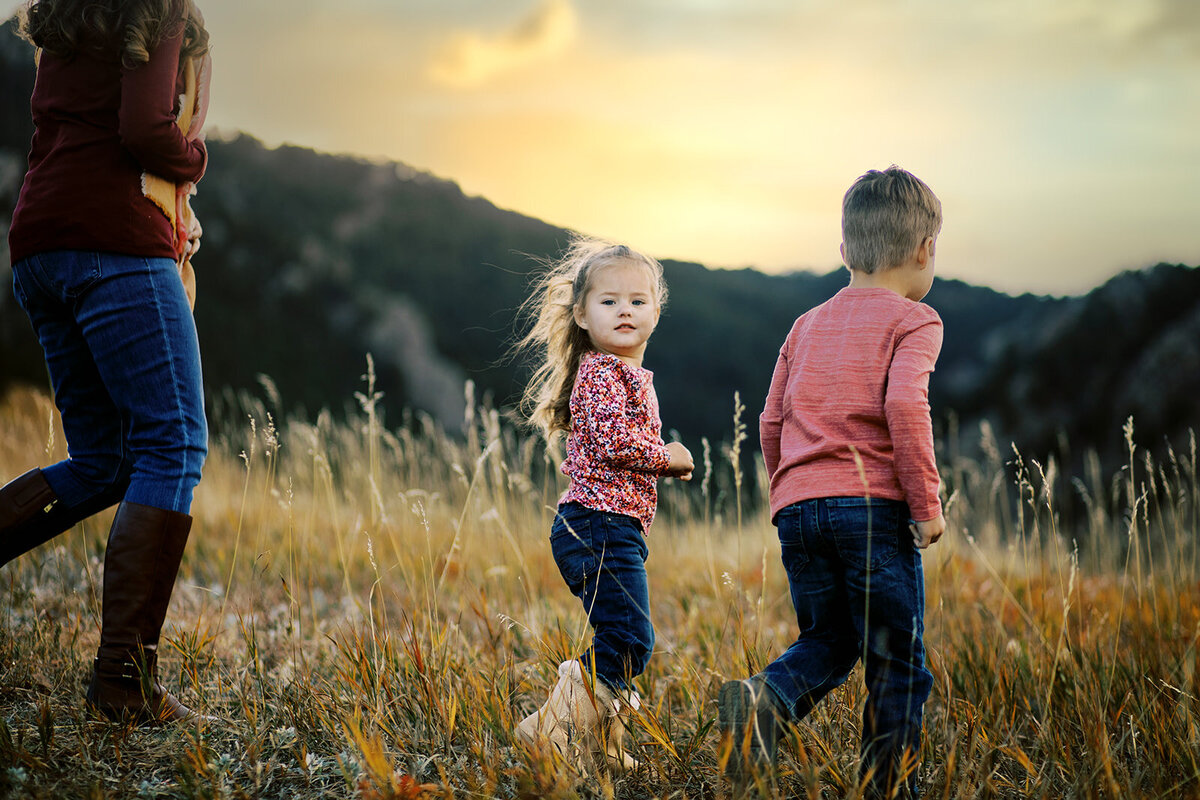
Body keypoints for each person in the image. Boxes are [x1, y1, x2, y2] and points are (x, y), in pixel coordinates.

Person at [0, 0, 212, 725]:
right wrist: (194, 158)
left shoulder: (66, 18)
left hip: (39, 245)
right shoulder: (158, 8)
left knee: (103, 460)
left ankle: (125, 681)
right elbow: (147, 129)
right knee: (173, 445)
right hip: (113, 243)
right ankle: (124, 686)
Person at [718, 166, 947, 799]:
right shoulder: (916, 322)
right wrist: (924, 502)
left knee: (830, 638)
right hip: (871, 508)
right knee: (896, 660)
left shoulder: (804, 324)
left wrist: (787, 490)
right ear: (925, 251)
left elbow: (770, 420)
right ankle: (887, 791)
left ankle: (765, 698)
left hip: (799, 507)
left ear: (844, 249)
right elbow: (905, 406)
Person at [512, 236, 694, 771]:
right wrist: (669, 457)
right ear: (582, 315)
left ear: (657, 312)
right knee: (630, 636)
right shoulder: (599, 373)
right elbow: (616, 441)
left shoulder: (627, 375)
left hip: (615, 528)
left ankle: (603, 745)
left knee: (621, 632)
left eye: (638, 301)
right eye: (609, 301)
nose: (624, 311)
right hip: (596, 525)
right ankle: (551, 730)